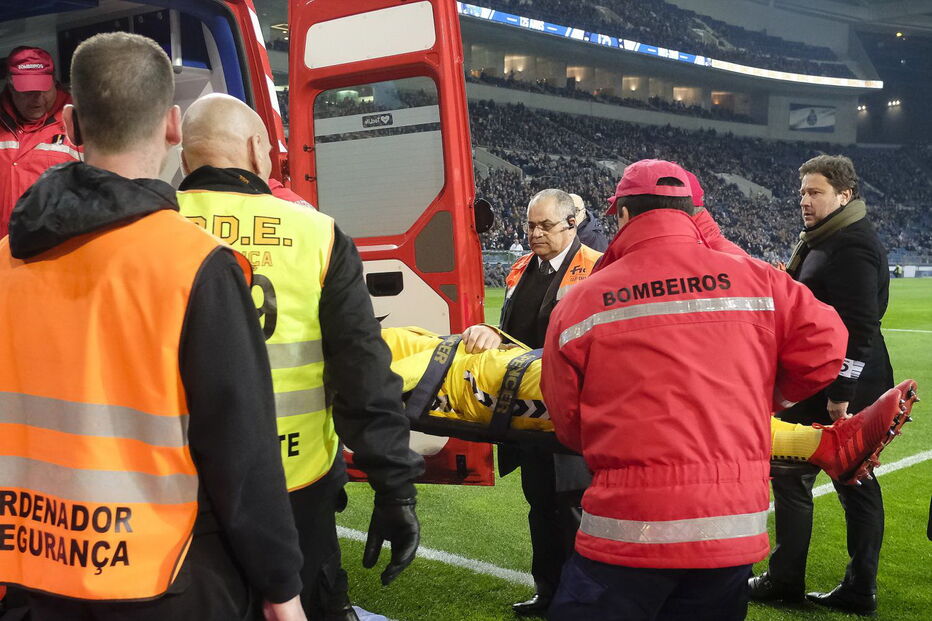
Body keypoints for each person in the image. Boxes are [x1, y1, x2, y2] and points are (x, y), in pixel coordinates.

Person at [0, 33, 305, 620]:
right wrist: (281, 589)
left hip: (29, 579)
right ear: (172, 124)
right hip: (160, 579)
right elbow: (242, 454)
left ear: (70, 122)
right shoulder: (197, 265)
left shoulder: (6, 261)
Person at [541, 159, 848, 620]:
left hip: (628, 525)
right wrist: (762, 401)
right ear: (692, 215)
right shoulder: (756, 278)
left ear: (621, 215)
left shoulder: (581, 301)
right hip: (728, 529)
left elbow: (567, 422)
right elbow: (827, 346)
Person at [177, 93, 425, 621]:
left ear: (184, 157)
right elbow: (362, 369)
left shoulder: (151, 226)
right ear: (255, 149)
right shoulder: (315, 233)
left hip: (182, 485)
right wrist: (394, 487)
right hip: (295, 482)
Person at [385, 325, 913, 486]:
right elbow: (392, 389)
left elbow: (434, 347)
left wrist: (473, 333)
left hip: (516, 367)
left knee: (682, 397)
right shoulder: (350, 356)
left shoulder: (371, 333)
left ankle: (825, 445)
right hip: (506, 388)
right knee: (674, 396)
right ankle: (826, 444)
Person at [750, 155, 894, 616]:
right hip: (816, 381)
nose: (805, 201)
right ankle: (794, 578)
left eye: (815, 193)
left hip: (838, 389)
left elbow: (860, 326)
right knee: (799, 478)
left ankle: (844, 585)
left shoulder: (851, 244)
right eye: (802, 193)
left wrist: (841, 396)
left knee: (847, 482)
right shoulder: (822, 240)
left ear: (844, 195)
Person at [461, 188, 601, 616]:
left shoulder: (596, 268)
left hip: (575, 412)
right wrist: (491, 332)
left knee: (573, 508)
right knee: (540, 504)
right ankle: (548, 590)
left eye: (545, 225)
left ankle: (585, 600)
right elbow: (514, 331)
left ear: (572, 224)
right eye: (530, 225)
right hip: (529, 411)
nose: (535, 233)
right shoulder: (522, 267)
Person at [0, 46, 81, 236]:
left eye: (43, 89)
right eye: (27, 92)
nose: (37, 99)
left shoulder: (79, 121)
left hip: (55, 252)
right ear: (10, 85)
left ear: (53, 81)